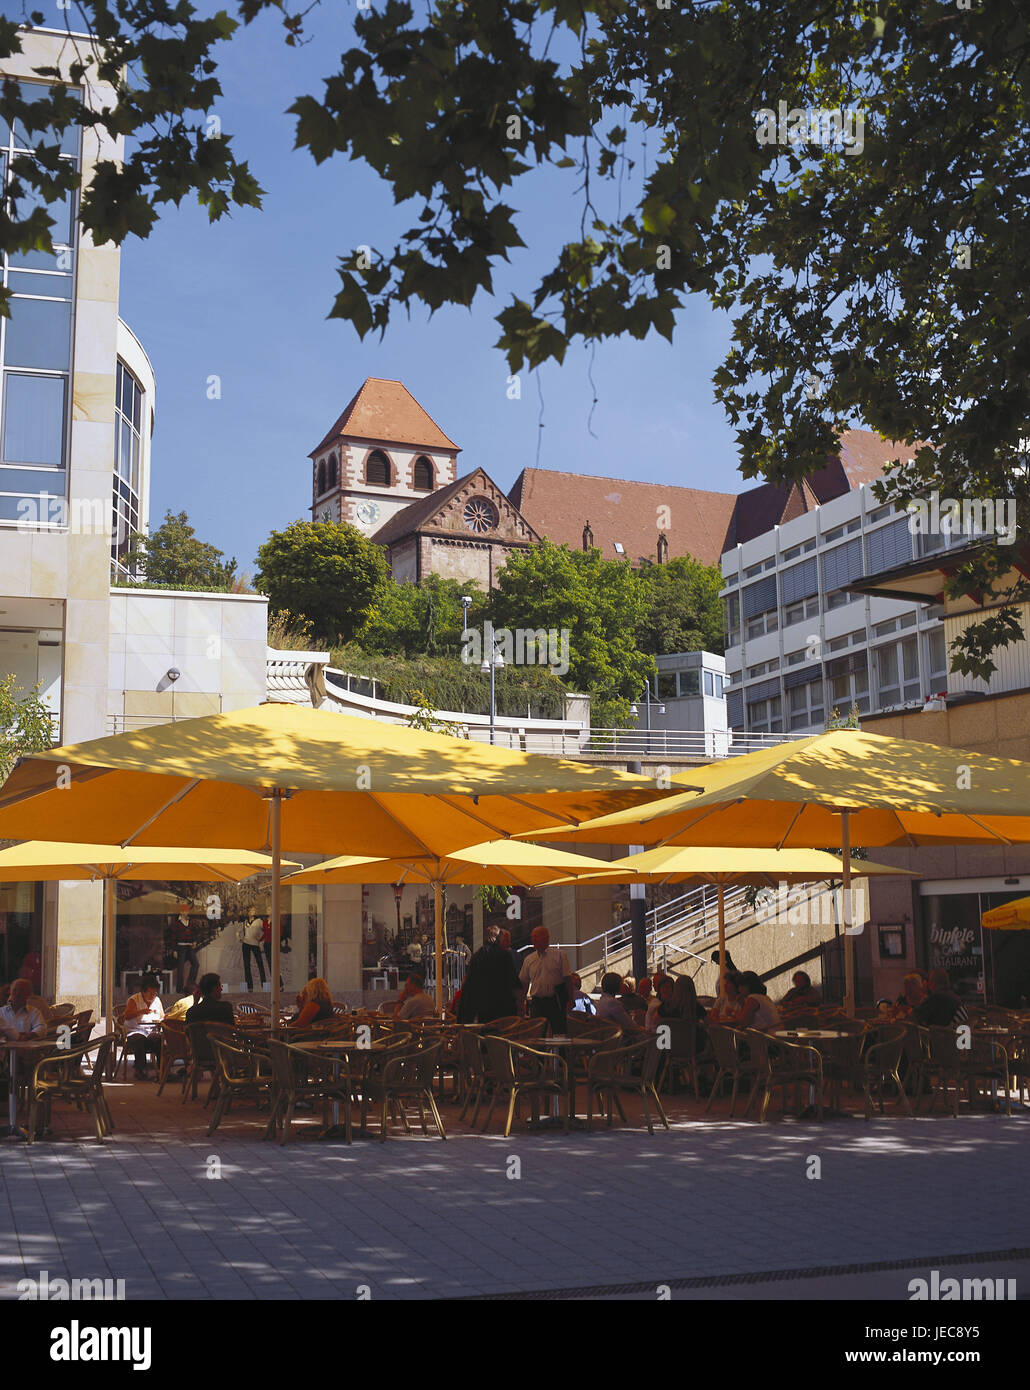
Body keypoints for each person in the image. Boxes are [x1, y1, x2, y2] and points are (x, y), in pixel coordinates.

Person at [458, 928, 521, 1024]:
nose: (508, 943)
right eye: (506, 940)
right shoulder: (505, 956)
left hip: (483, 1011)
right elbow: (515, 985)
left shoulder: (478, 956)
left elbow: (468, 984)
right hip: (504, 1010)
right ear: (499, 939)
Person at [518, 926, 572, 1035]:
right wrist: (521, 1003)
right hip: (537, 1003)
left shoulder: (560, 955)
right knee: (537, 1034)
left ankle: (560, 1052)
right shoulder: (529, 959)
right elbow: (524, 982)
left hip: (556, 1001)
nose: (534, 940)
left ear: (546, 938)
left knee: (559, 1033)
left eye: (536, 937)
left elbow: (567, 979)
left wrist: (570, 1000)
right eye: (532, 937)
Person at [124, 972, 165, 1080]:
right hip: (135, 1030)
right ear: (143, 991)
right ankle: (140, 1070)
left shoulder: (157, 1001)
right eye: (151, 993)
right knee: (139, 1039)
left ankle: (163, 1070)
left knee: (159, 1039)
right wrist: (141, 1012)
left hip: (151, 1030)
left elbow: (162, 1016)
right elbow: (126, 1016)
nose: (153, 996)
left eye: (155, 993)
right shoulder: (134, 1000)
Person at [172, 902, 199, 993]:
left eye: (187, 910)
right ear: (181, 912)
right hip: (181, 947)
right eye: (185, 910)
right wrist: (175, 950)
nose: (186, 912)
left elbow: (194, 932)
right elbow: (174, 937)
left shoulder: (190, 922)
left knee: (196, 964)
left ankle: (189, 984)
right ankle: (179, 989)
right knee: (180, 968)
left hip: (189, 946)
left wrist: (194, 940)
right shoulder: (177, 923)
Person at [238, 910, 266, 992]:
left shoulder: (259, 921)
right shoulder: (245, 922)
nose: (252, 912)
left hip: (255, 944)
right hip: (246, 944)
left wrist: (261, 941)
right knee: (246, 966)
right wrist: (240, 939)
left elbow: (265, 931)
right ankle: (249, 987)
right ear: (248, 913)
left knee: (260, 964)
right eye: (250, 911)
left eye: (254, 910)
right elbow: (238, 932)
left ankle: (264, 984)